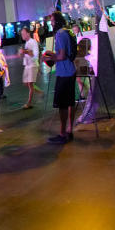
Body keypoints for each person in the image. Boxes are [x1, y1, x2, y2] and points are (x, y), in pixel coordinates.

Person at [46, 12, 77, 144]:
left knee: (62, 105)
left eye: (52, 21)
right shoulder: (68, 31)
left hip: (64, 73)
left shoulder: (60, 34)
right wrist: (52, 54)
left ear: (57, 21)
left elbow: (61, 56)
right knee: (70, 102)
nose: (51, 23)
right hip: (71, 71)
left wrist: (47, 58)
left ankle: (62, 133)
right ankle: (69, 130)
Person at [20, 27, 40, 109]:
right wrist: (22, 53)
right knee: (26, 83)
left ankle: (29, 103)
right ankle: (40, 92)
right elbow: (25, 55)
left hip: (32, 65)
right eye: (21, 34)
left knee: (30, 84)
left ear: (28, 33)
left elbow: (36, 56)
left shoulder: (33, 42)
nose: (22, 35)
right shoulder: (27, 43)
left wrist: (26, 52)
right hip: (27, 65)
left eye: (24, 34)